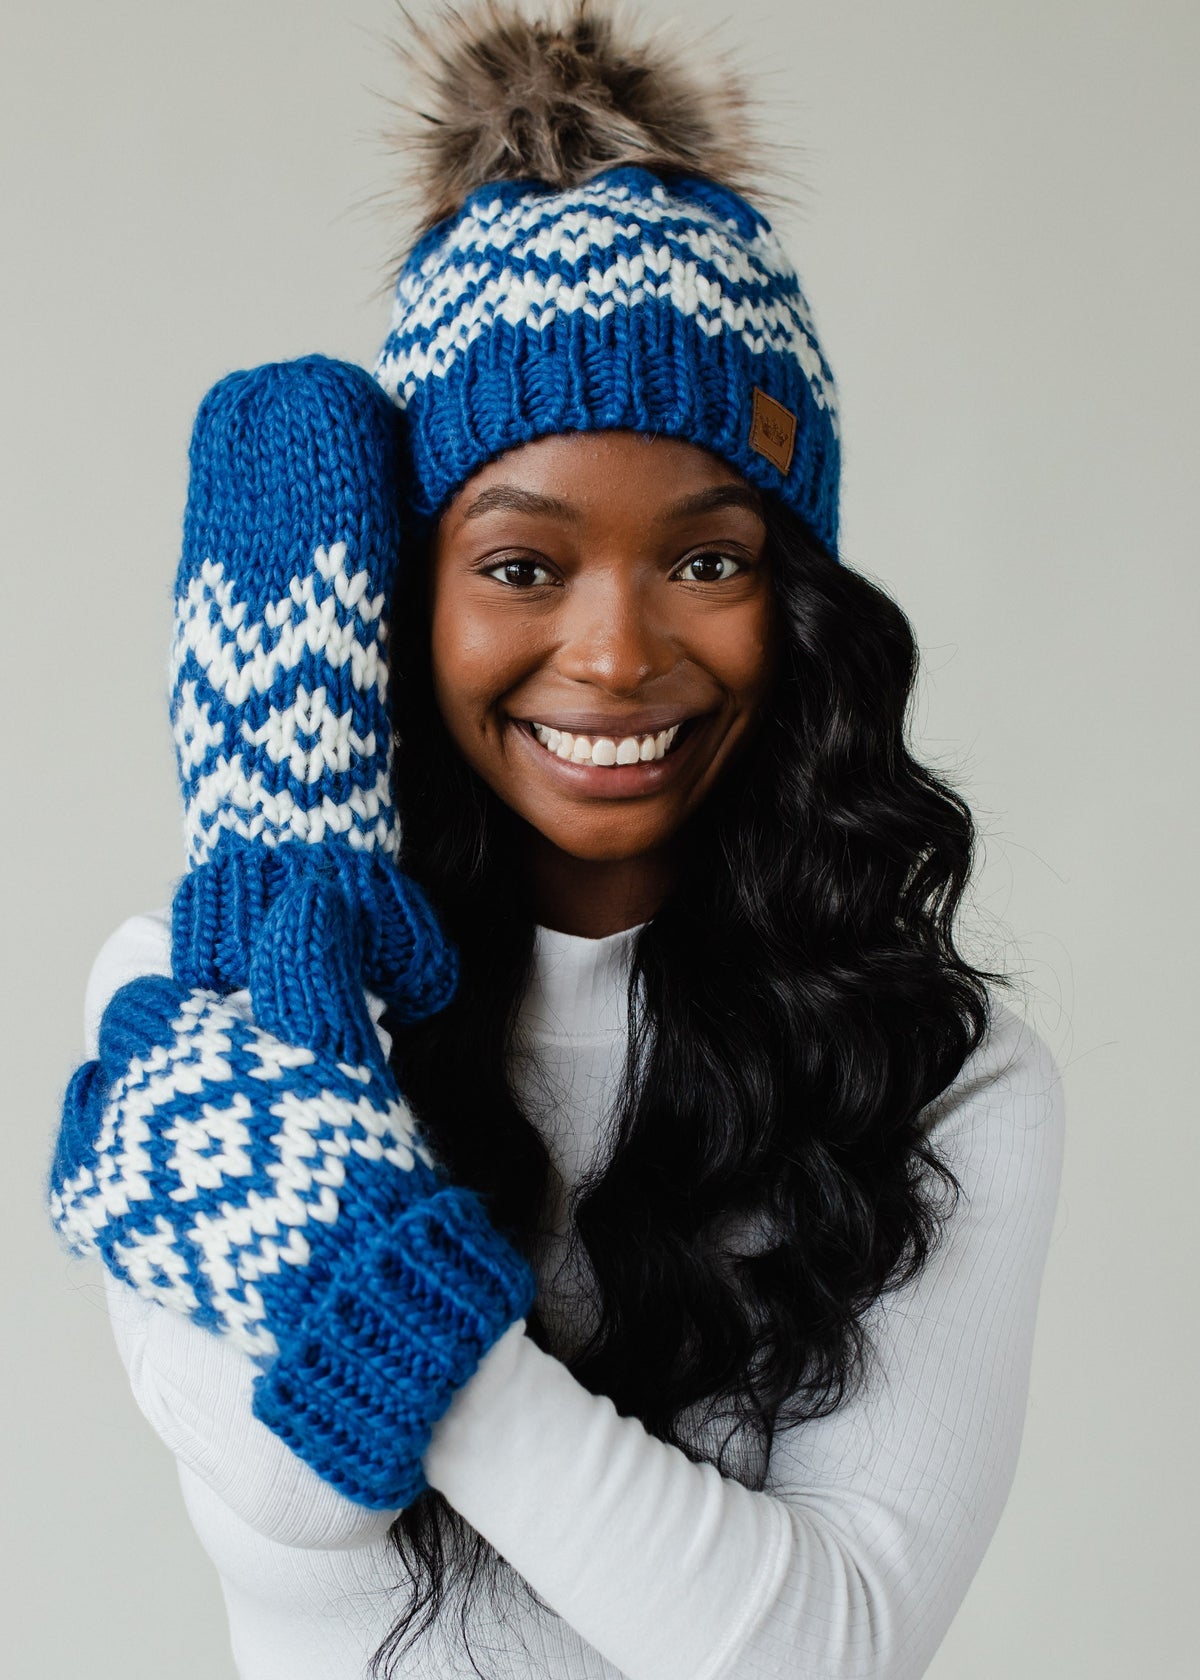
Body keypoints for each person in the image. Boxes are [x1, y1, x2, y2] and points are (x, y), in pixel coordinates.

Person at [47, 3, 1065, 1677]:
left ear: (798, 597)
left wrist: (389, 1300)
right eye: (520, 565)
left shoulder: (940, 1073)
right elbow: (295, 1500)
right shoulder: (193, 993)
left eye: (708, 561)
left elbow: (826, 1651)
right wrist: (295, 884)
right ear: (403, 599)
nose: (614, 652)